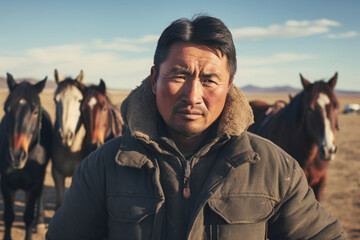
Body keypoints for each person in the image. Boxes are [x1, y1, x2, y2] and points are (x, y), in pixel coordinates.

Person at [46, 15, 346, 240]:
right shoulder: (103, 167)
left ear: (229, 86)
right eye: (178, 75)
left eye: (209, 80)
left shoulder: (275, 169)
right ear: (154, 79)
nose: (192, 96)